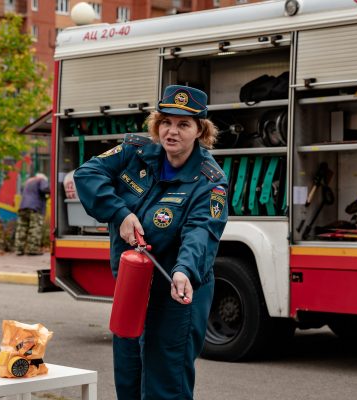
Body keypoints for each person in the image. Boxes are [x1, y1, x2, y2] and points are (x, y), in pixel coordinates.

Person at [74, 85, 228, 399]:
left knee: (164, 384)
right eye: (165, 122)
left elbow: (201, 232)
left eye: (183, 124)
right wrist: (120, 213)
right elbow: (87, 174)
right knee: (128, 373)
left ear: (200, 131)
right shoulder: (135, 150)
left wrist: (185, 270)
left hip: (177, 290)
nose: (172, 131)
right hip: (133, 283)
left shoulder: (209, 181)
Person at [14, 173, 50, 255]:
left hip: (23, 206)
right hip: (35, 207)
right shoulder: (41, 180)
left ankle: (19, 249)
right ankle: (32, 250)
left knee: (22, 229)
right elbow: (44, 189)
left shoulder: (28, 181)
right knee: (35, 228)